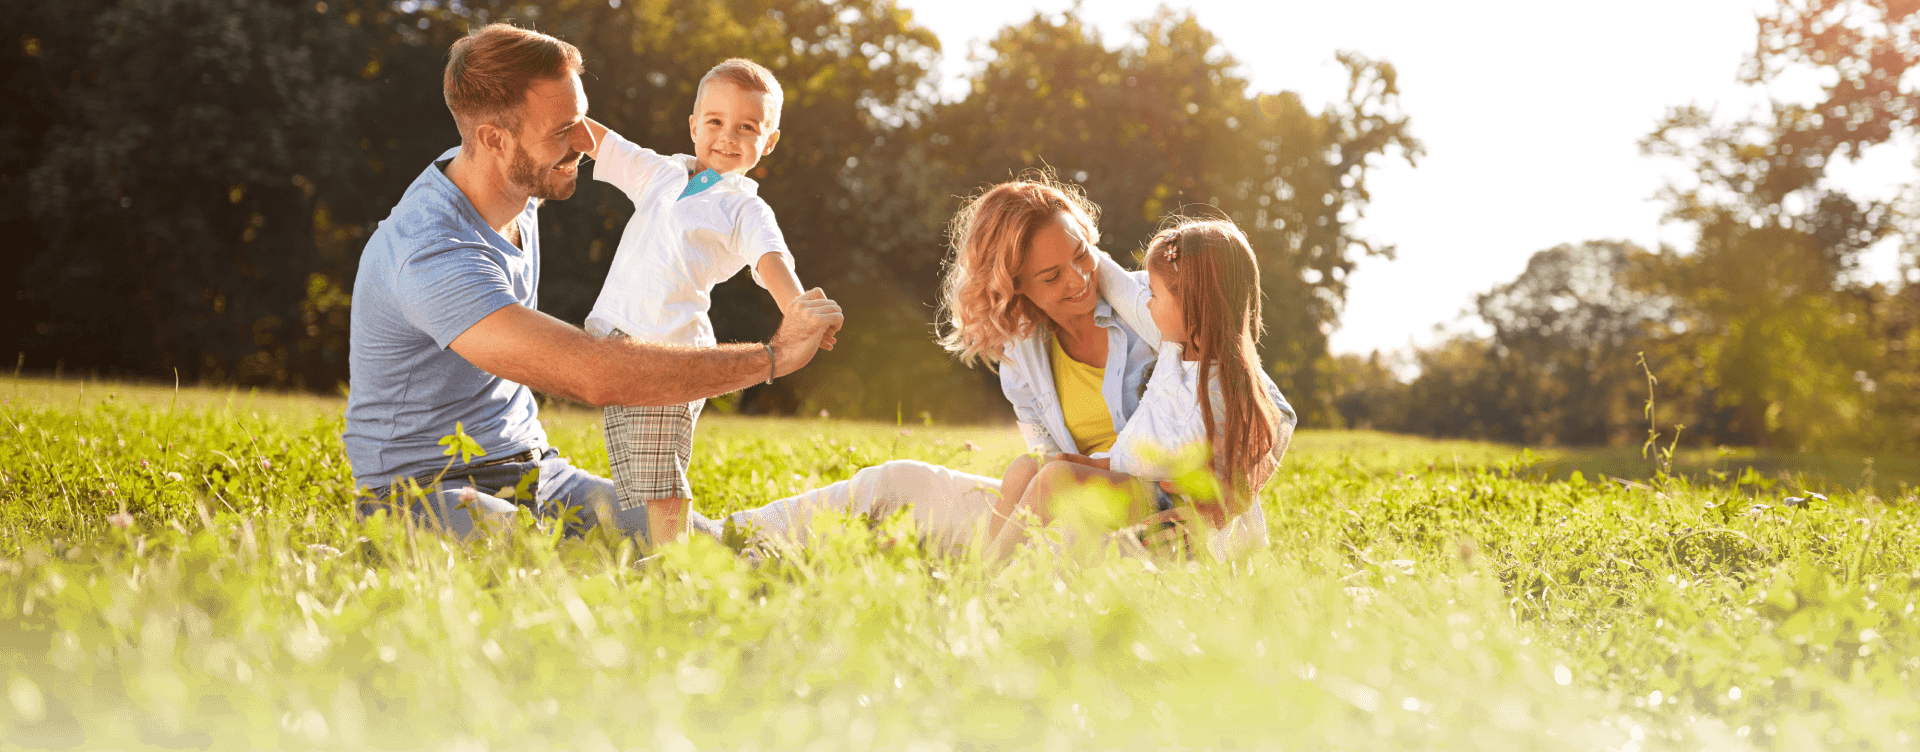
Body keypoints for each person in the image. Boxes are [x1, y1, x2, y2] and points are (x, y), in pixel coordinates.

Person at [342, 24, 842, 543]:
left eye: (582, 121)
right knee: (533, 557)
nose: (582, 143)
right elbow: (598, 376)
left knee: (696, 546)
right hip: (423, 489)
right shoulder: (430, 251)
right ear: (494, 138)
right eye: (563, 131)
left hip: (537, 473)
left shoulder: (515, 182)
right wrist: (773, 356)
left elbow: (754, 246)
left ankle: (879, 508)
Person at [731, 177, 1295, 560]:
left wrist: (1216, 512)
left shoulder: (1157, 302)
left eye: (1081, 256)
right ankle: (729, 536)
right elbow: (1050, 473)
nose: (1076, 281)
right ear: (1014, 284)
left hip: (1172, 530)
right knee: (898, 482)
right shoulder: (1023, 358)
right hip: (1084, 512)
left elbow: (1273, 410)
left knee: (1048, 492)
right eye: (1049, 276)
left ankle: (982, 598)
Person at [578, 58, 821, 546]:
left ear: (768, 142)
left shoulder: (743, 206)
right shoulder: (660, 173)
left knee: (659, 475)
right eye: (715, 122)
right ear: (693, 126)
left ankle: (678, 567)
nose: (727, 137)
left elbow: (771, 259)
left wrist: (797, 310)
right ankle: (662, 552)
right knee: (635, 479)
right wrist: (539, 113)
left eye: (746, 127)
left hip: (669, 354)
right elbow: (601, 142)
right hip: (615, 346)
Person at [989, 219, 1295, 562]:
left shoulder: (1220, 379)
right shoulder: (1173, 350)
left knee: (1055, 478)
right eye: (1051, 275)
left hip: (1171, 503)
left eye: (1080, 254)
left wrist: (1225, 504)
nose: (1145, 303)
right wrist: (1100, 465)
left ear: (1191, 304)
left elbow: (1273, 418)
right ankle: (978, 566)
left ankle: (984, 577)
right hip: (1135, 479)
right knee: (1026, 468)